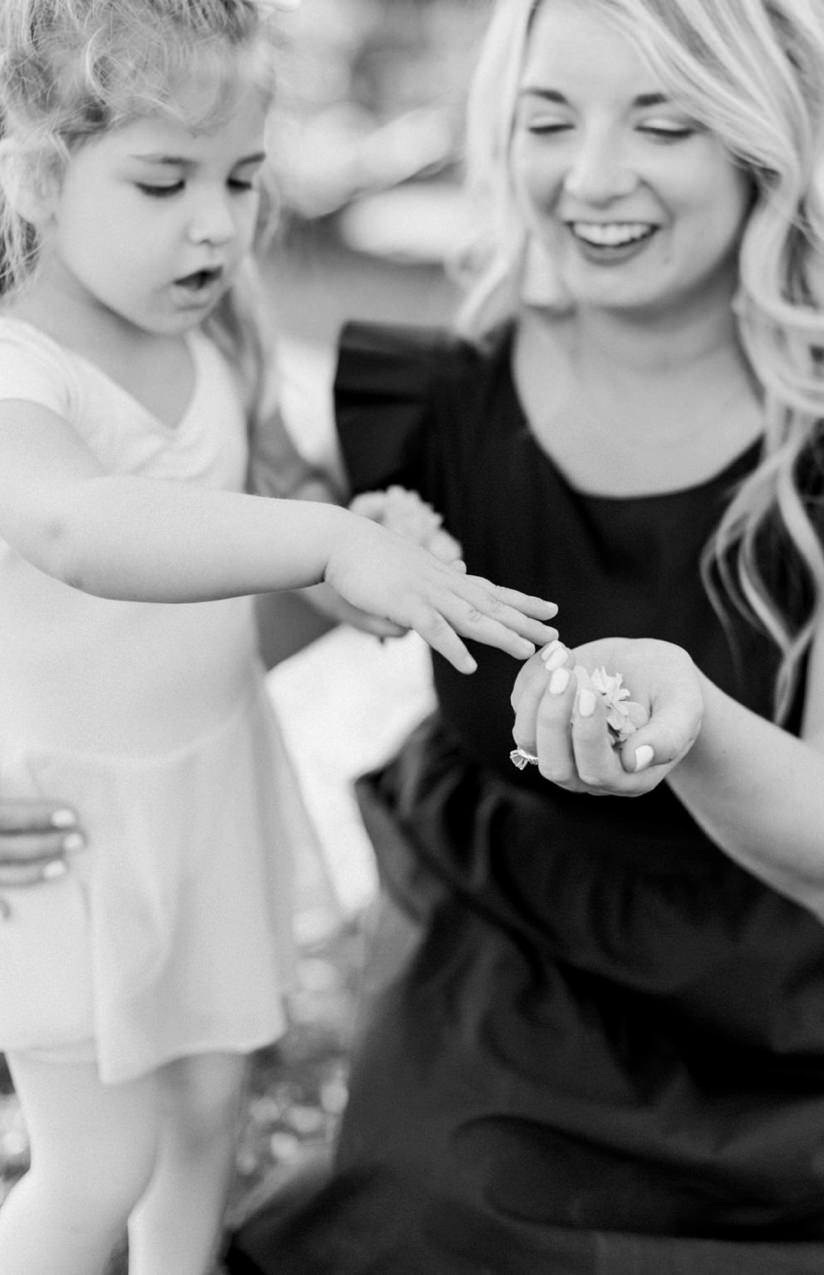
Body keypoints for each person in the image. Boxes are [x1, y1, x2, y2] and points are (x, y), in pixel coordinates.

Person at [226, 0, 824, 1272]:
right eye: (549, 120)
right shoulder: (430, 401)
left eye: (663, 122)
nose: (594, 175)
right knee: (435, 1214)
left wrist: (694, 724)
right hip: (507, 962)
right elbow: (234, 632)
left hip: (793, 1000)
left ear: (760, 143)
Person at [0, 2, 560, 1272]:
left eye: (245, 178)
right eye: (164, 179)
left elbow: (228, 625)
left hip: (205, 793)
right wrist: (318, 540)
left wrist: (360, 564)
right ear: (34, 163)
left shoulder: (210, 346)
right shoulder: (19, 377)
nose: (219, 222)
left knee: (205, 1110)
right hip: (62, 842)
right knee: (96, 1164)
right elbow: (81, 530)